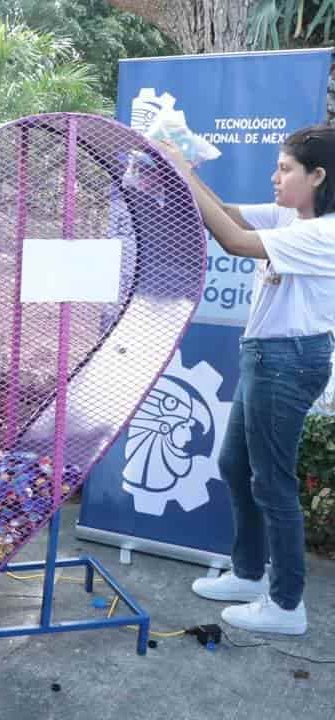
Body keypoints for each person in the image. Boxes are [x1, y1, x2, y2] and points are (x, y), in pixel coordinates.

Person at [162, 126, 335, 635]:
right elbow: (231, 215)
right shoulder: (292, 216)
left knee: (272, 482)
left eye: (285, 169)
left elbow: (234, 241)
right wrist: (185, 172)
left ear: (319, 176)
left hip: (287, 361)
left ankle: (286, 605)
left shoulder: (322, 233)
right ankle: (249, 574)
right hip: (268, 357)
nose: (274, 177)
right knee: (235, 463)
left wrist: (179, 170)